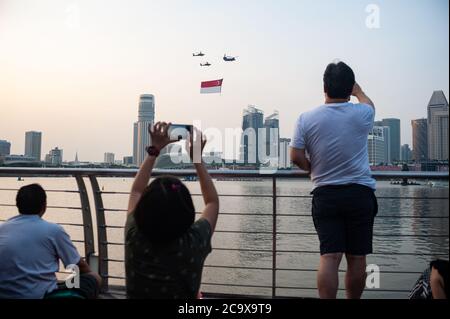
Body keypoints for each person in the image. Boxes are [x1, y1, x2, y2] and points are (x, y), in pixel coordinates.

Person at [290, 61, 378, 299]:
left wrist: (311, 169)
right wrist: (358, 92)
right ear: (349, 88)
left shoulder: (306, 118)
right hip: (359, 194)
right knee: (357, 258)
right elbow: (369, 103)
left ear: (324, 88)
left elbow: (295, 155)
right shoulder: (363, 113)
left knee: (329, 257)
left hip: (326, 195)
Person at [125, 122, 219, 299]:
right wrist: (197, 159)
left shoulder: (134, 235)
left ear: (143, 211)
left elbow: (136, 191)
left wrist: (154, 150)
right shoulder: (194, 240)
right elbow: (212, 202)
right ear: (187, 214)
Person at [0, 184, 101, 299]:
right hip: (42, 296)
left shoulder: (2, 229)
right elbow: (79, 266)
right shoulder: (53, 231)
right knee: (93, 277)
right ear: (44, 206)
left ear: (18, 204)